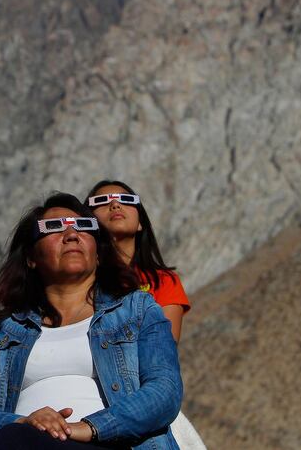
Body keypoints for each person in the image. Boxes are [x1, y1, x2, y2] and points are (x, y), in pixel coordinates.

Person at [0, 192, 182, 449]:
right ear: (31, 258)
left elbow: (165, 391)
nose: (72, 234)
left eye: (84, 226)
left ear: (98, 254)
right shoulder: (5, 329)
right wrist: (23, 423)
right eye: (53, 227)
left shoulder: (138, 309)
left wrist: (90, 427)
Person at [85, 180, 205, 450]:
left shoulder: (163, 281)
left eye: (126, 200)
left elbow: (163, 347)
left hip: (140, 394)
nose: (115, 204)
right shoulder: (79, 284)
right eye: (101, 202)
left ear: (141, 223)